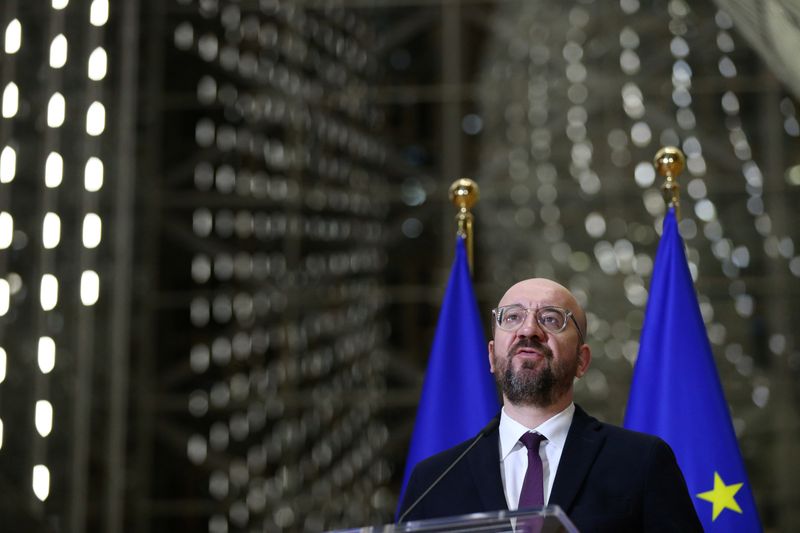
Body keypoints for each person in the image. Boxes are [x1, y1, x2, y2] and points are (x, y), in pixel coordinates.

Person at [398, 278, 703, 532]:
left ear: (582, 361)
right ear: (492, 356)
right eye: (512, 317)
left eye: (550, 319)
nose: (529, 330)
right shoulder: (434, 480)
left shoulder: (641, 462)